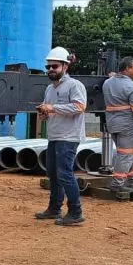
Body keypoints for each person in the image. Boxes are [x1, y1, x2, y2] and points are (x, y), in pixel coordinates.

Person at [34, 47, 88, 226]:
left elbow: (79, 107)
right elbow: (51, 110)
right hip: (55, 136)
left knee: (65, 174)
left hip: (69, 137)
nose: (50, 70)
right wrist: (45, 113)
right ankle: (54, 208)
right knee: (53, 174)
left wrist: (52, 108)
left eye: (54, 66)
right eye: (48, 67)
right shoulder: (50, 89)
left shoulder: (75, 85)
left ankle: (75, 211)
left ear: (65, 66)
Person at [102, 57, 133, 198]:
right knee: (125, 154)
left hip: (113, 124)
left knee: (125, 153)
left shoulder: (107, 83)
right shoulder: (132, 87)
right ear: (127, 69)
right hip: (127, 125)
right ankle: (117, 183)